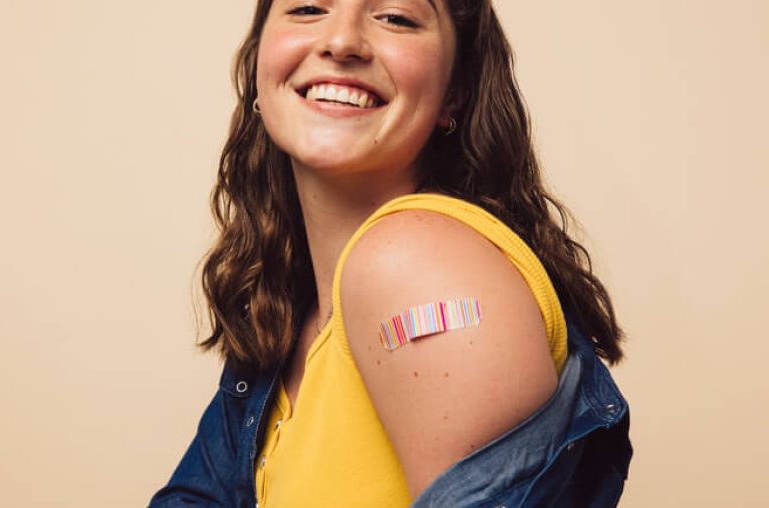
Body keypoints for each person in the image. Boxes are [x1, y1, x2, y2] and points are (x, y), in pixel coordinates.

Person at [150, 0, 632, 506]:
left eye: (396, 17)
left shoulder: (413, 262)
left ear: (455, 93)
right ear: (258, 64)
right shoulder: (289, 311)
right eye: (308, 7)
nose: (341, 42)